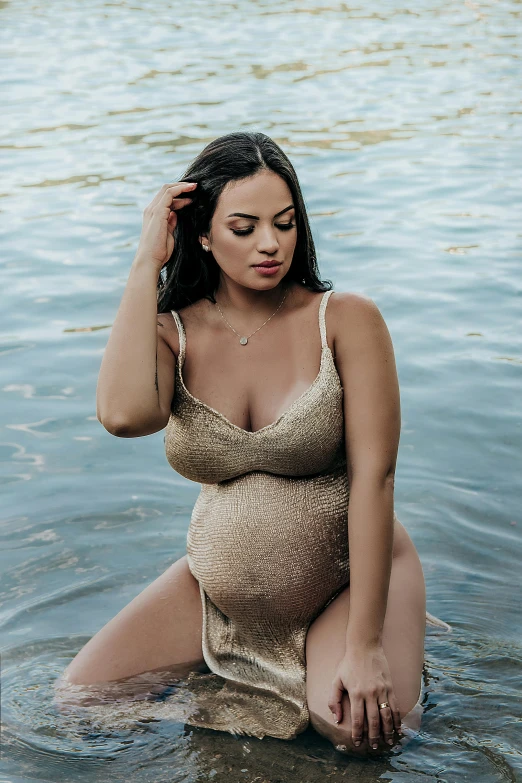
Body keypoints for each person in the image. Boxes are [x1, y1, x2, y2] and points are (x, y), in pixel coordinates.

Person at [55, 131, 450, 756]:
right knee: (80, 706)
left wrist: (365, 644)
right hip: (218, 593)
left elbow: (376, 480)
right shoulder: (171, 334)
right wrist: (144, 264)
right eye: (244, 227)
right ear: (202, 234)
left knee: (362, 734)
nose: (271, 244)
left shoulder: (345, 319)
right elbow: (124, 417)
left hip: (346, 579)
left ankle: (391, 635)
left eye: (285, 223)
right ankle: (235, 691)